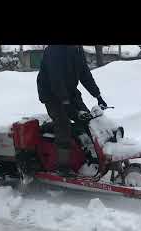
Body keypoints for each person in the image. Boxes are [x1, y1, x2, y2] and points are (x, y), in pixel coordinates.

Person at [37, 45, 108, 177]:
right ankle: (62, 166)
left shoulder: (77, 49)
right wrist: (64, 100)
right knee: (63, 124)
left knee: (88, 120)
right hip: (51, 94)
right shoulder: (54, 49)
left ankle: (92, 156)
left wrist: (97, 96)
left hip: (69, 92)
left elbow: (85, 73)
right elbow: (55, 77)